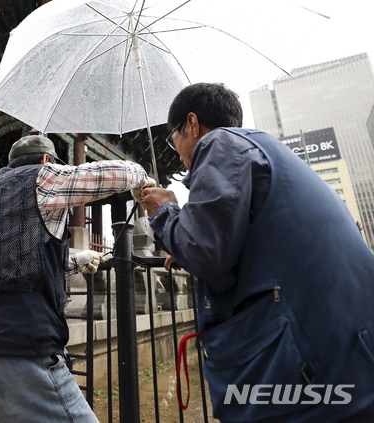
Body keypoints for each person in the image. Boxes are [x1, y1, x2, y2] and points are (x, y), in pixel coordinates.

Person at [142, 82, 374, 423]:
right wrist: (185, 238)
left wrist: (166, 212)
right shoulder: (262, 148)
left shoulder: (219, 143)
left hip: (310, 365)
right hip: (348, 349)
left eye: (172, 137)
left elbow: (206, 252)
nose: (175, 150)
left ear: (192, 124)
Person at [0, 133, 155, 423]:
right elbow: (115, 174)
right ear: (47, 160)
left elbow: (12, 267)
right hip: (9, 360)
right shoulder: (41, 176)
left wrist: (76, 260)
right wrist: (140, 178)